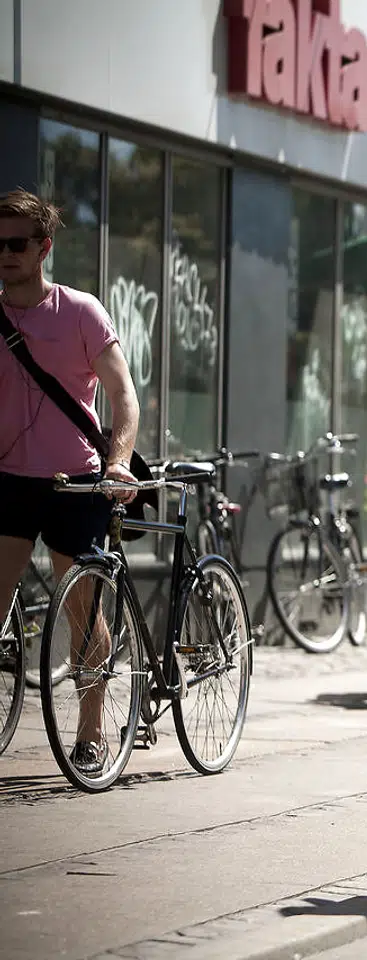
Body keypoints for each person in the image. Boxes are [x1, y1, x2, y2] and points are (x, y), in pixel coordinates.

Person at [0, 189, 141, 775]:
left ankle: (91, 730)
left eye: (16, 243)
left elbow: (124, 395)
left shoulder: (80, 311)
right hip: (8, 481)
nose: (5, 254)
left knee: (81, 608)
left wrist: (118, 462)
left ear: (44, 248)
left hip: (74, 483)